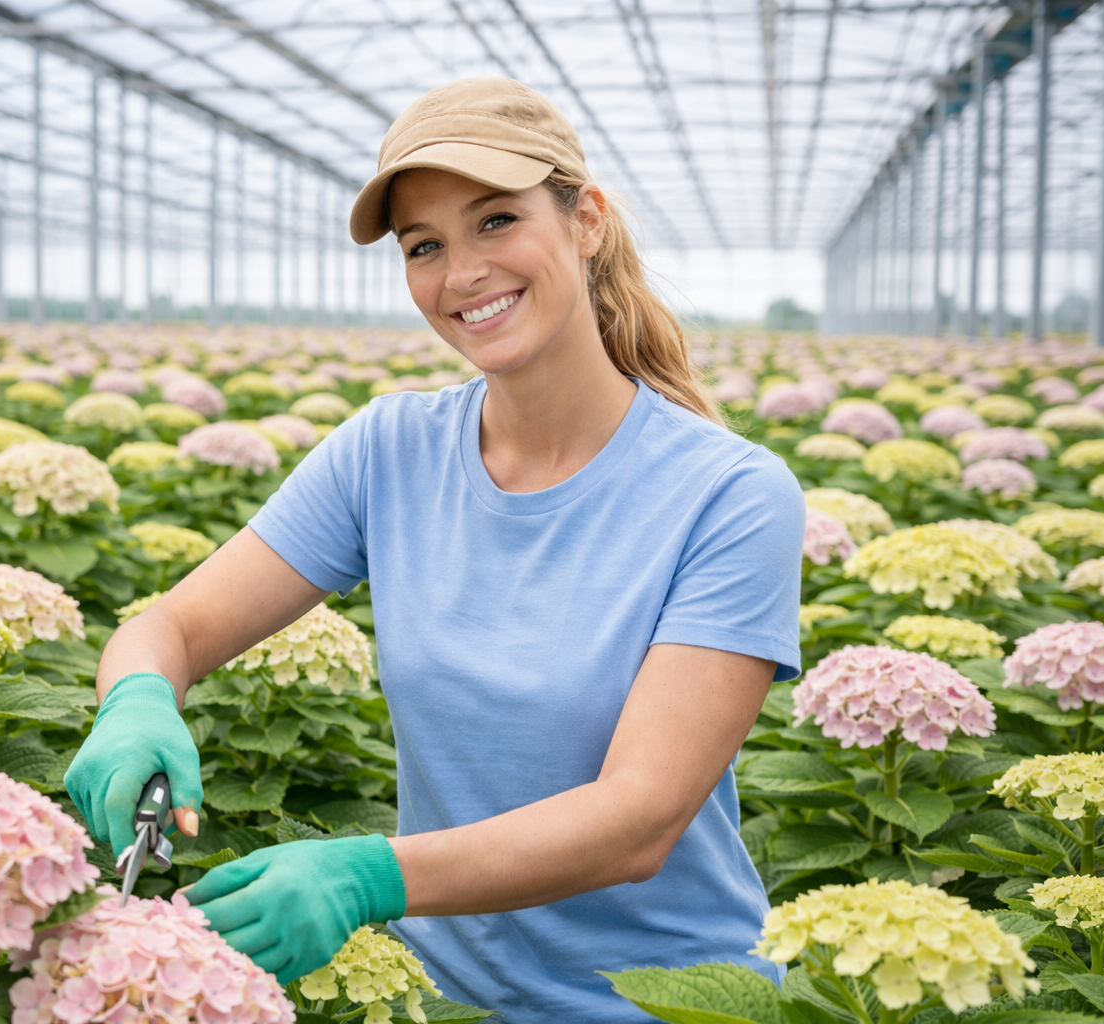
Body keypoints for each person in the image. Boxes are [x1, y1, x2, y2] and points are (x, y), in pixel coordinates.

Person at [65, 77, 804, 1022]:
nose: (461, 274)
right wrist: (135, 701)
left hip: (660, 1004)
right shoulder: (389, 451)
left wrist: (366, 877)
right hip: (430, 1000)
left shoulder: (731, 494)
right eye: (425, 246)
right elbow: (170, 625)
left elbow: (639, 820)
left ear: (587, 221)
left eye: (495, 221)